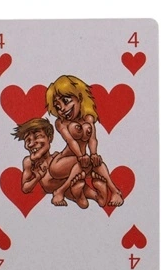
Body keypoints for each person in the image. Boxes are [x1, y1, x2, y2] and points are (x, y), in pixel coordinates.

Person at [45, 75, 124, 207]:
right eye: (57, 107)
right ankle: (60, 191)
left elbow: (93, 139)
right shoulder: (61, 123)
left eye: (66, 101)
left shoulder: (88, 118)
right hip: (60, 164)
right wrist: (81, 156)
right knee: (80, 163)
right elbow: (70, 141)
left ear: (80, 97)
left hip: (82, 162)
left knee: (97, 162)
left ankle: (112, 192)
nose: (62, 109)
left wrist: (94, 154)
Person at [11, 117, 96, 209]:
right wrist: (38, 177)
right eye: (27, 140)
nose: (31, 144)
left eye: (37, 137)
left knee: (84, 199)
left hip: (67, 184)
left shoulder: (56, 157)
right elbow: (25, 188)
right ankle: (75, 192)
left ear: (49, 138)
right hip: (59, 187)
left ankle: (82, 193)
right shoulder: (29, 162)